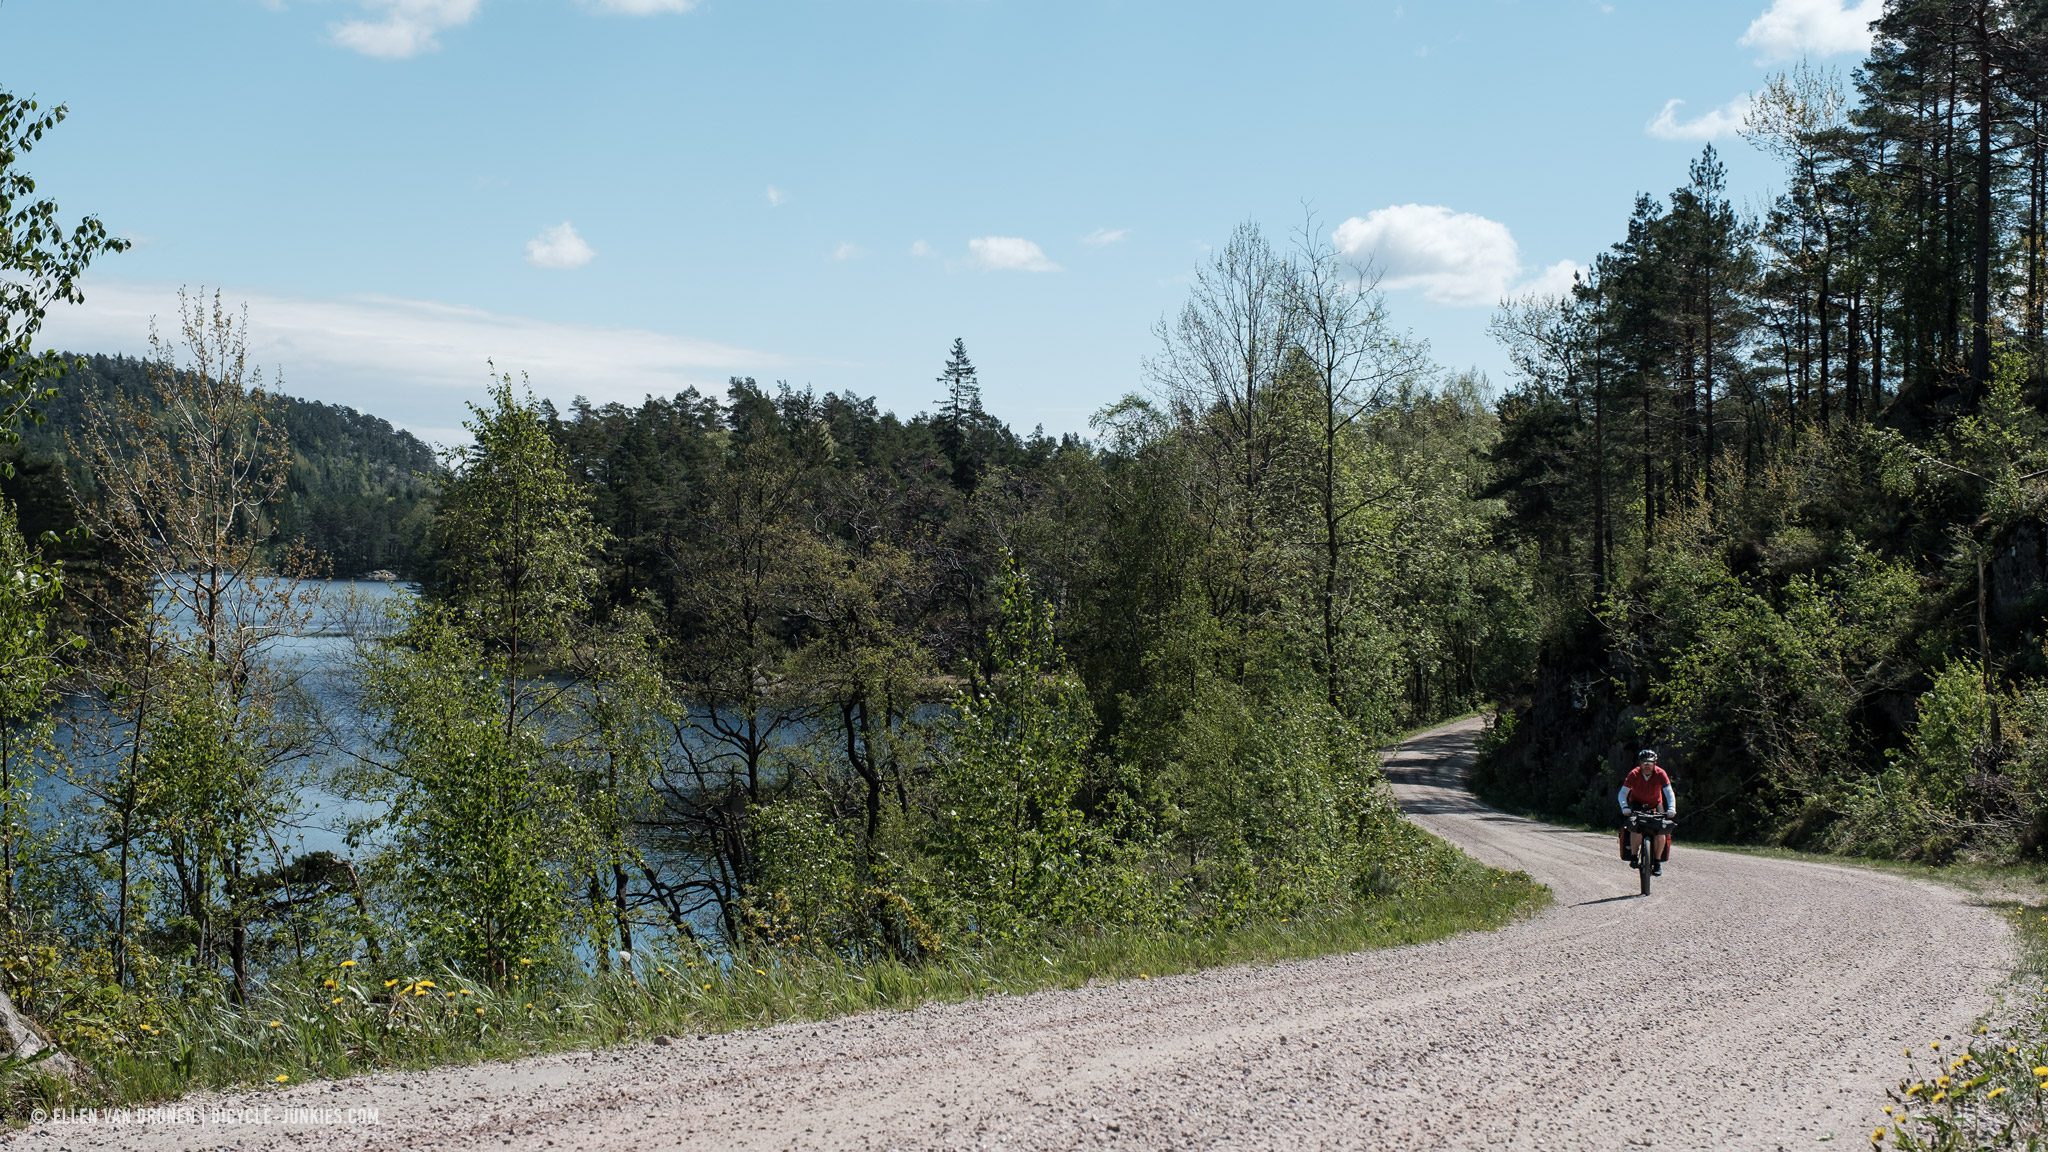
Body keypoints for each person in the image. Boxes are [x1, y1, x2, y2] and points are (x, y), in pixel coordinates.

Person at [1617, 749, 1675, 875]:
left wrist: (1671, 809)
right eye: (1644, 762)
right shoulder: (1634, 774)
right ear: (1640, 763)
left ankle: (1658, 862)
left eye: (1650, 762)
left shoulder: (1660, 773)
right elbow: (1623, 793)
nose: (1647, 765)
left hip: (1656, 804)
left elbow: (1669, 792)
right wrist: (1624, 807)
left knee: (1661, 831)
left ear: (1655, 763)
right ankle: (1633, 856)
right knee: (1635, 827)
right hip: (1636, 804)